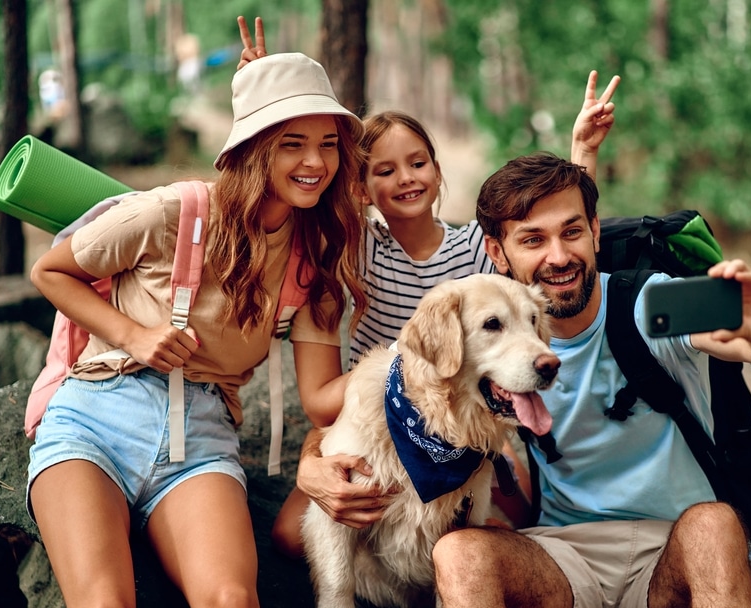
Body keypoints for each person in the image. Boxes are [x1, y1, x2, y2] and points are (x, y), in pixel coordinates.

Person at [234, 16, 623, 556]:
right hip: (382, 411)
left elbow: (554, 242)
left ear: (438, 173)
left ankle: (457, 590)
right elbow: (303, 203)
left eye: (418, 163)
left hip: (465, 409)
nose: (406, 178)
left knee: (504, 524)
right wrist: (268, 108)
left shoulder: (472, 251)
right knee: (291, 535)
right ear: (362, 187)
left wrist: (584, 154)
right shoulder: (358, 248)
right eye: (385, 170)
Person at [26, 50, 366, 608]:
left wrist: (404, 362)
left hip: (202, 440)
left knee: (233, 605)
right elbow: (51, 270)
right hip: (95, 418)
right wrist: (132, 334)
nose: (316, 162)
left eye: (329, 144)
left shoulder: (314, 262)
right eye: (292, 143)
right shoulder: (172, 211)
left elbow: (321, 399)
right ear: (254, 147)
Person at [426, 152, 751, 608]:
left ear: (596, 231)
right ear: (498, 250)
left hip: (672, 562)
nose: (558, 256)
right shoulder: (485, 340)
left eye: (572, 232)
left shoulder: (652, 304)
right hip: (564, 563)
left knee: (716, 525)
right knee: (457, 555)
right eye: (533, 239)